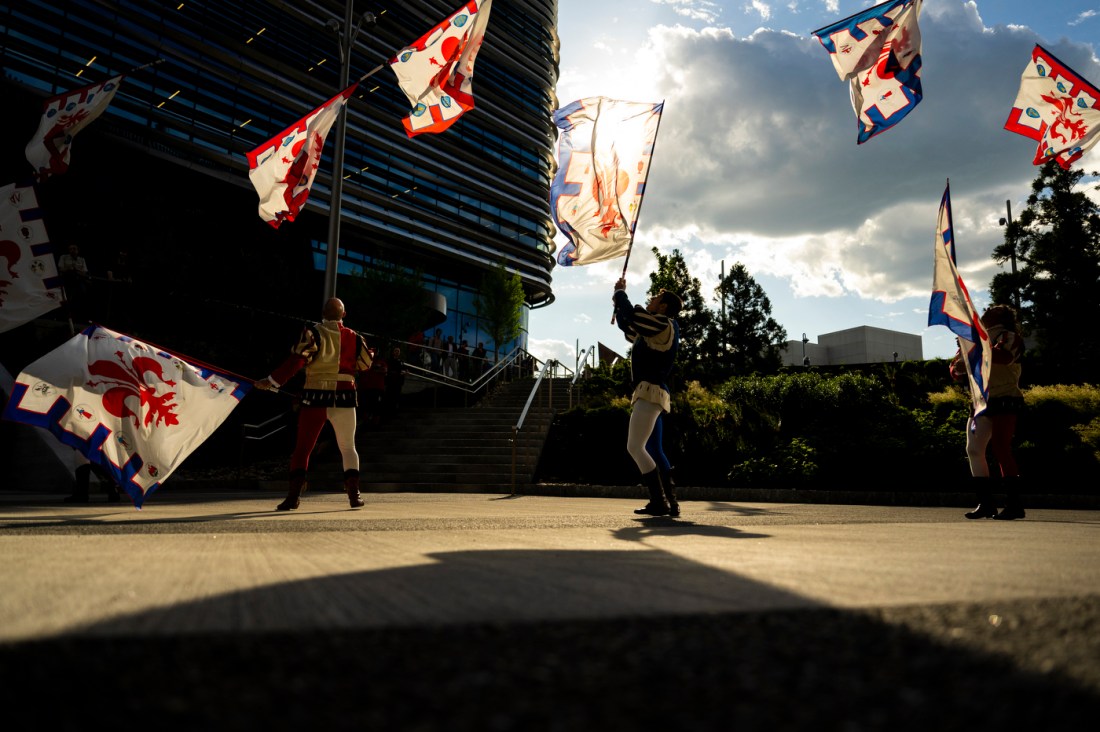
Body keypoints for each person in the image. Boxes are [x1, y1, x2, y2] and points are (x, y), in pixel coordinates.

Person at [255, 298, 372, 510]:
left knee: (303, 449)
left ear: (323, 314)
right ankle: (354, 495)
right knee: (348, 447)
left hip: (315, 397)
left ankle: (293, 496)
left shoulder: (312, 333)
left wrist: (272, 381)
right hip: (345, 397)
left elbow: (296, 361)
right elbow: (366, 364)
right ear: (343, 315)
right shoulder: (355, 337)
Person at [612, 277, 683, 517]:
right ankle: (670, 502)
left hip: (649, 393)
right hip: (654, 394)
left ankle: (658, 501)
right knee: (653, 448)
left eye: (655, 298)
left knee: (635, 446)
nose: (651, 299)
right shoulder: (654, 329)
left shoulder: (664, 325)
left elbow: (635, 317)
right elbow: (628, 324)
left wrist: (622, 293)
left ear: (663, 307)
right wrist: (618, 299)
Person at [950, 304, 1026, 520]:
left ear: (1002, 316)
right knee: (973, 450)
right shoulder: (974, 339)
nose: (986, 310)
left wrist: (973, 352)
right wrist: (962, 362)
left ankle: (1014, 504)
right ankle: (986, 503)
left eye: (992, 309)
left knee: (1001, 448)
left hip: (1005, 400)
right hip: (980, 403)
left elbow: (1003, 356)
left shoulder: (1008, 336)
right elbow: (955, 368)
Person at [384, 346, 406, 419]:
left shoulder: (401, 361)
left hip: (398, 382)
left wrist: (404, 373)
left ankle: (394, 411)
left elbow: (403, 370)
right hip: (391, 382)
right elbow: (389, 370)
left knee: (396, 396)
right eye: (396, 351)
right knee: (390, 396)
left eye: (398, 351)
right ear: (393, 352)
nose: (397, 352)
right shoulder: (390, 361)